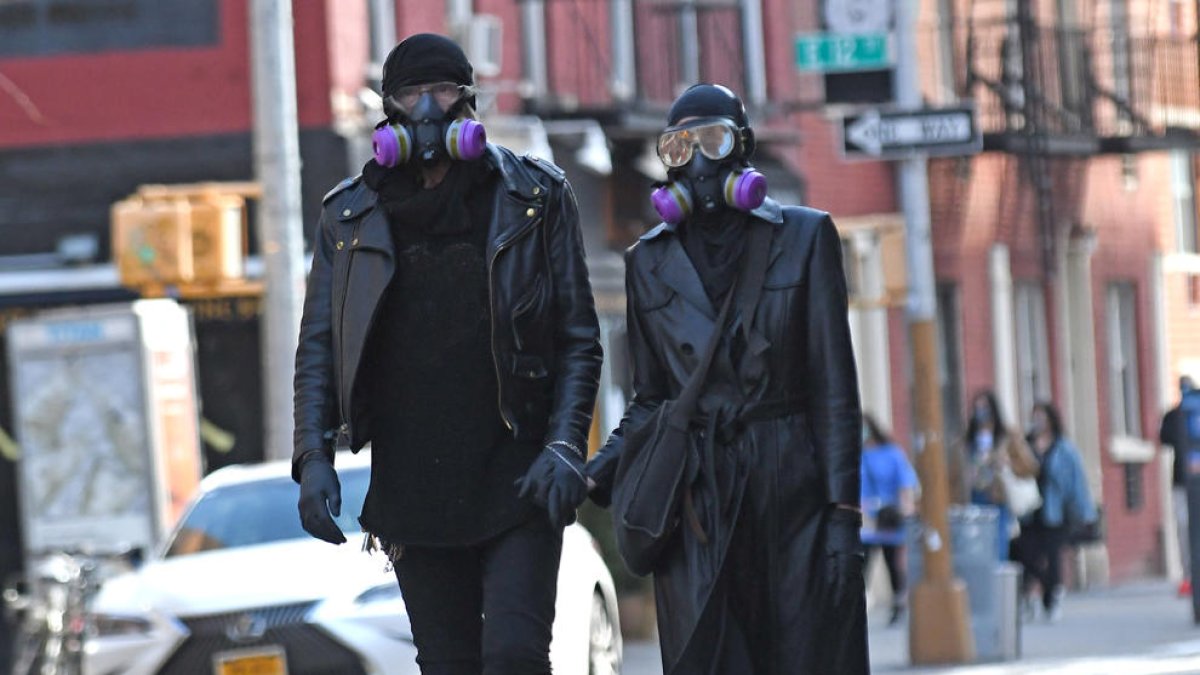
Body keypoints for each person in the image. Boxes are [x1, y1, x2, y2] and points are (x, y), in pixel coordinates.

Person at [291, 34, 602, 675]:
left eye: (442, 91)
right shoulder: (348, 217)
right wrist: (311, 455)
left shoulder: (535, 197)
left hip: (519, 470)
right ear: (389, 109)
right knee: (447, 664)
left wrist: (566, 443)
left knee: (516, 656)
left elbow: (578, 336)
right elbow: (319, 345)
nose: (428, 108)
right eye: (411, 93)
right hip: (414, 483)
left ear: (470, 102)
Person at [575, 84, 868, 674]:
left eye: (713, 139)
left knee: (804, 656)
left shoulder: (805, 238)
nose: (698, 160)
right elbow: (652, 399)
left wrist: (842, 516)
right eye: (678, 146)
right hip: (699, 499)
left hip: (793, 492)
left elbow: (834, 389)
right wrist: (591, 477)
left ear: (743, 148)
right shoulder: (647, 261)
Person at [1016, 401, 1096, 623]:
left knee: (1052, 556)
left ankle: (1051, 599)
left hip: (1055, 511)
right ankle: (1035, 594)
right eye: (1035, 417)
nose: (1038, 422)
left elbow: (1077, 482)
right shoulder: (1025, 445)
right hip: (1029, 510)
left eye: (1042, 417)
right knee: (1027, 554)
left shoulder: (1063, 448)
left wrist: (1086, 513)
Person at [950, 390, 1038, 559]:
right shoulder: (966, 442)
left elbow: (1030, 466)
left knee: (998, 546)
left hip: (996, 497)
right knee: (975, 549)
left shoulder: (1006, 437)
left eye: (985, 408)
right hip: (972, 497)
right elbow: (954, 475)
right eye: (977, 408)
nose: (981, 413)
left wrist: (1008, 463)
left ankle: (997, 580)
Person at [860, 412, 919, 626]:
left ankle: (898, 604)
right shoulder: (854, 456)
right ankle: (859, 606)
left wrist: (905, 507)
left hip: (887, 519)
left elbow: (905, 483)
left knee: (891, 564)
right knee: (861, 566)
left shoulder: (891, 453)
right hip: (864, 522)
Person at [1160, 375, 1199, 598]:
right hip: (1182, 482)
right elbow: (1164, 438)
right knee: (1184, 530)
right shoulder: (1174, 416)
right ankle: (1189, 576)